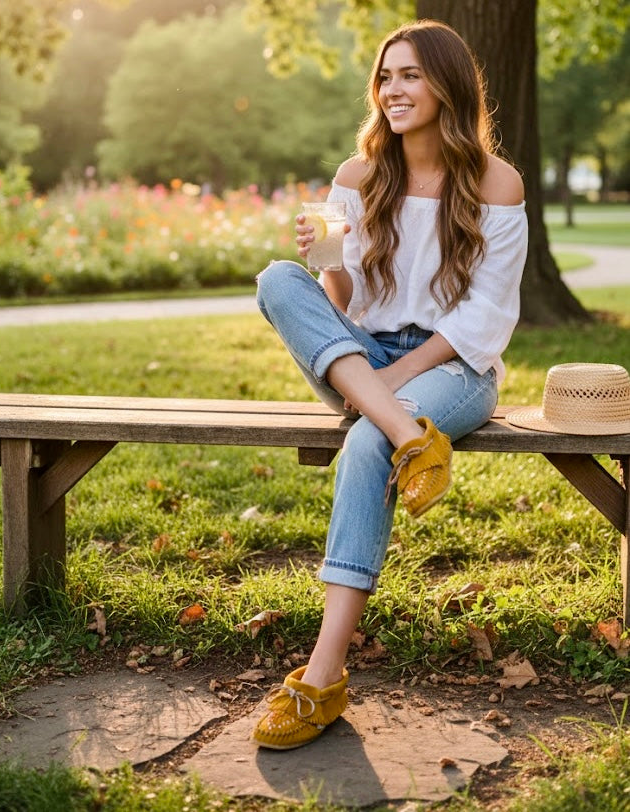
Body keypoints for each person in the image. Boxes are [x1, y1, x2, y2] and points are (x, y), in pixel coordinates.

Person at [252, 19, 528, 750]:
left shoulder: (497, 184)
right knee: (279, 279)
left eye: (410, 74)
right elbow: (342, 306)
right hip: (361, 359)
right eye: (385, 76)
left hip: (453, 369)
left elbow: (486, 315)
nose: (394, 89)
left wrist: (393, 380)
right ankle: (411, 438)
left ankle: (321, 677)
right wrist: (329, 267)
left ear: (447, 84)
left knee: (368, 439)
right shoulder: (356, 175)